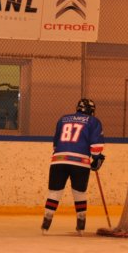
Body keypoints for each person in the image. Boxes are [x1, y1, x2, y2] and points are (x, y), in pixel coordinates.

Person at [41, 98, 105, 235]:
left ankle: (46, 223)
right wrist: (97, 158)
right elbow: (96, 146)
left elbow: (55, 144)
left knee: (54, 192)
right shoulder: (93, 121)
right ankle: (80, 226)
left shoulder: (63, 119)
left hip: (58, 160)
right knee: (79, 193)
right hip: (80, 162)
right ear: (91, 111)